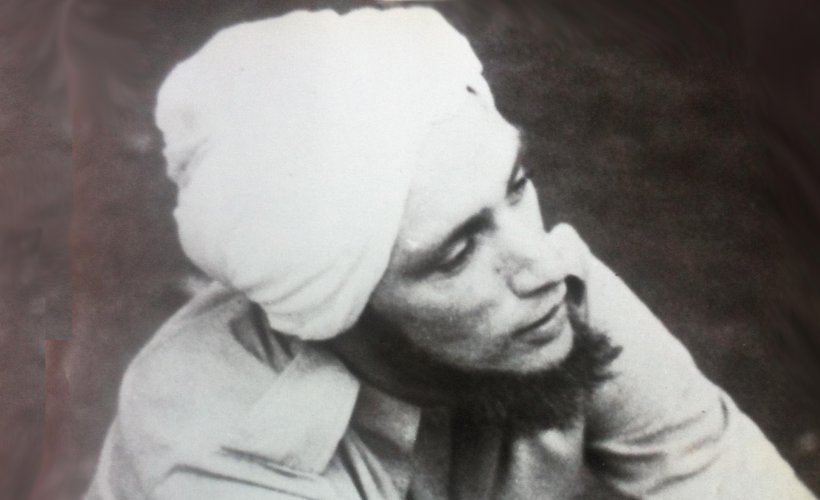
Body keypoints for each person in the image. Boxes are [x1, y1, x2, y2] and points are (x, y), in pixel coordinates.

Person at [84, 6, 815, 500]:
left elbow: (714, 470)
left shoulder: (547, 283)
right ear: (342, 315)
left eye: (517, 186)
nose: (543, 265)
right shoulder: (221, 459)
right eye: (457, 252)